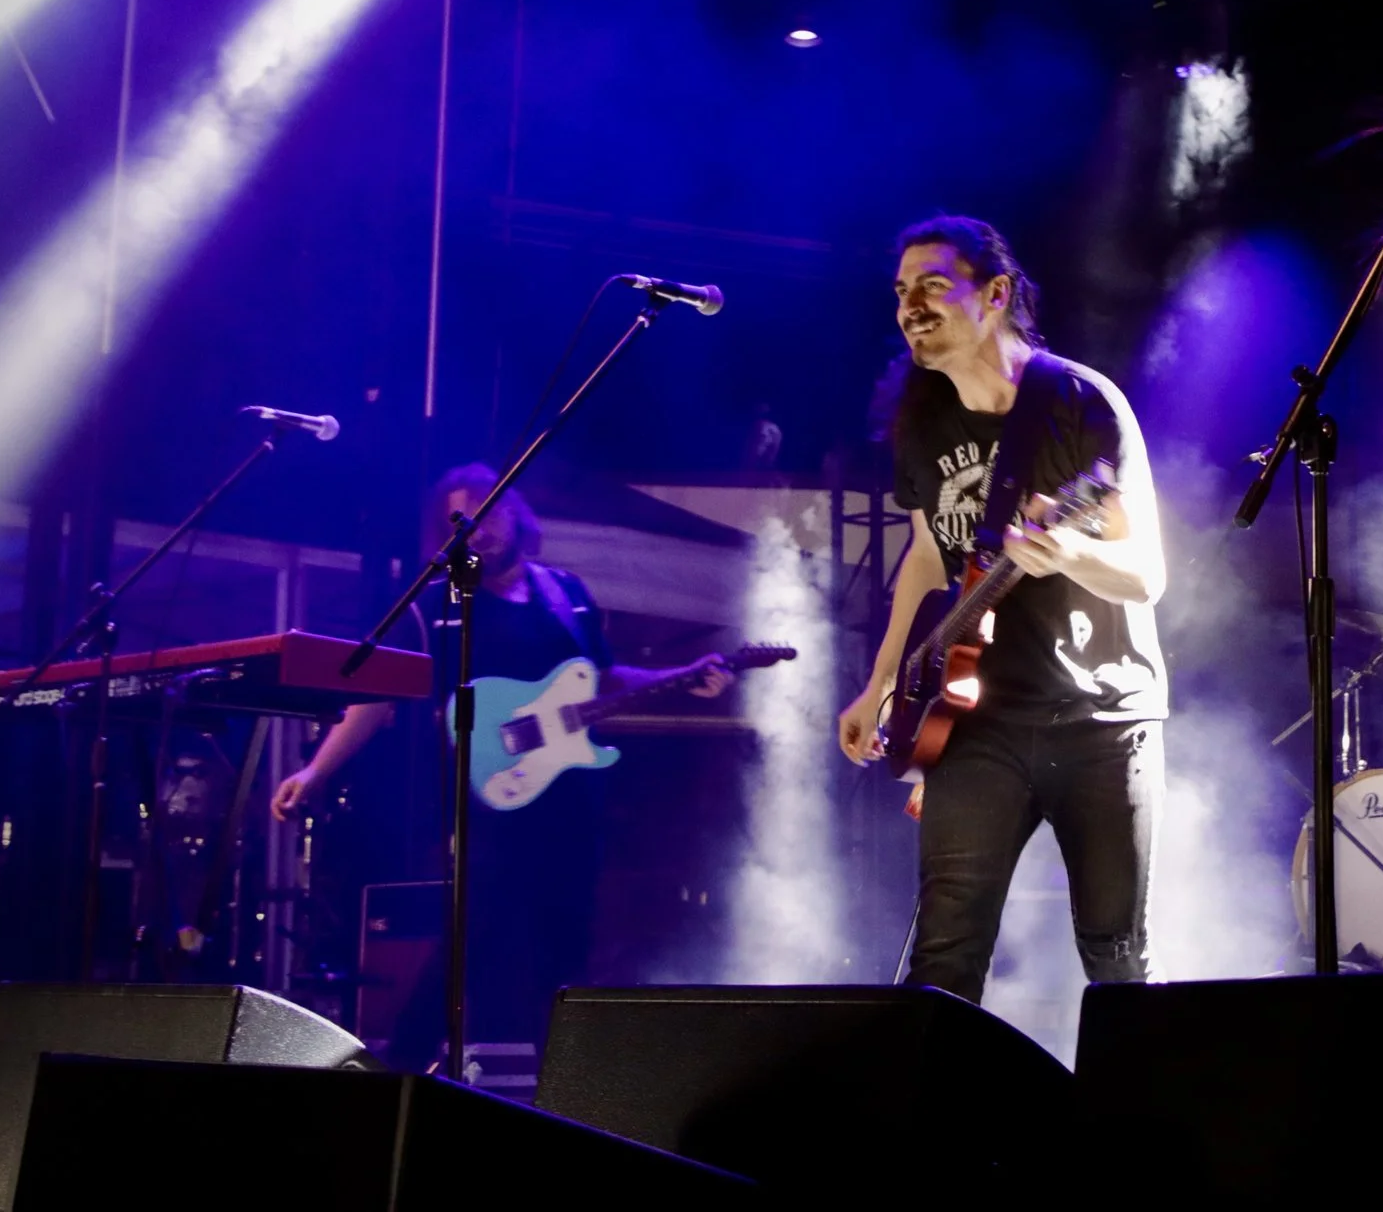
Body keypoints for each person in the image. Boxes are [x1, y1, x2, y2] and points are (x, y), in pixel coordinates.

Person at [271, 464, 730, 1074]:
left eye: (487, 512)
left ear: (515, 513)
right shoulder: (442, 602)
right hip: (487, 799)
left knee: (566, 942)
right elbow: (377, 699)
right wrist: (315, 772)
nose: (478, 529)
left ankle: (564, 1080)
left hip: (571, 800)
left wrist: (679, 678)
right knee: (472, 936)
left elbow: (605, 678)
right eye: (460, 520)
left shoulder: (566, 593)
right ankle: (396, 1068)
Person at [836, 216, 1169, 1002]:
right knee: (944, 962)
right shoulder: (920, 422)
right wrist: (882, 680)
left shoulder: (1082, 404)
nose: (910, 305)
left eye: (932, 286)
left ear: (996, 294)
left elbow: (1144, 577)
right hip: (975, 724)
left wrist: (1069, 553)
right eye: (900, 291)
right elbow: (928, 554)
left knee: (1116, 954)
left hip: (1102, 720)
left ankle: (1142, 1118)